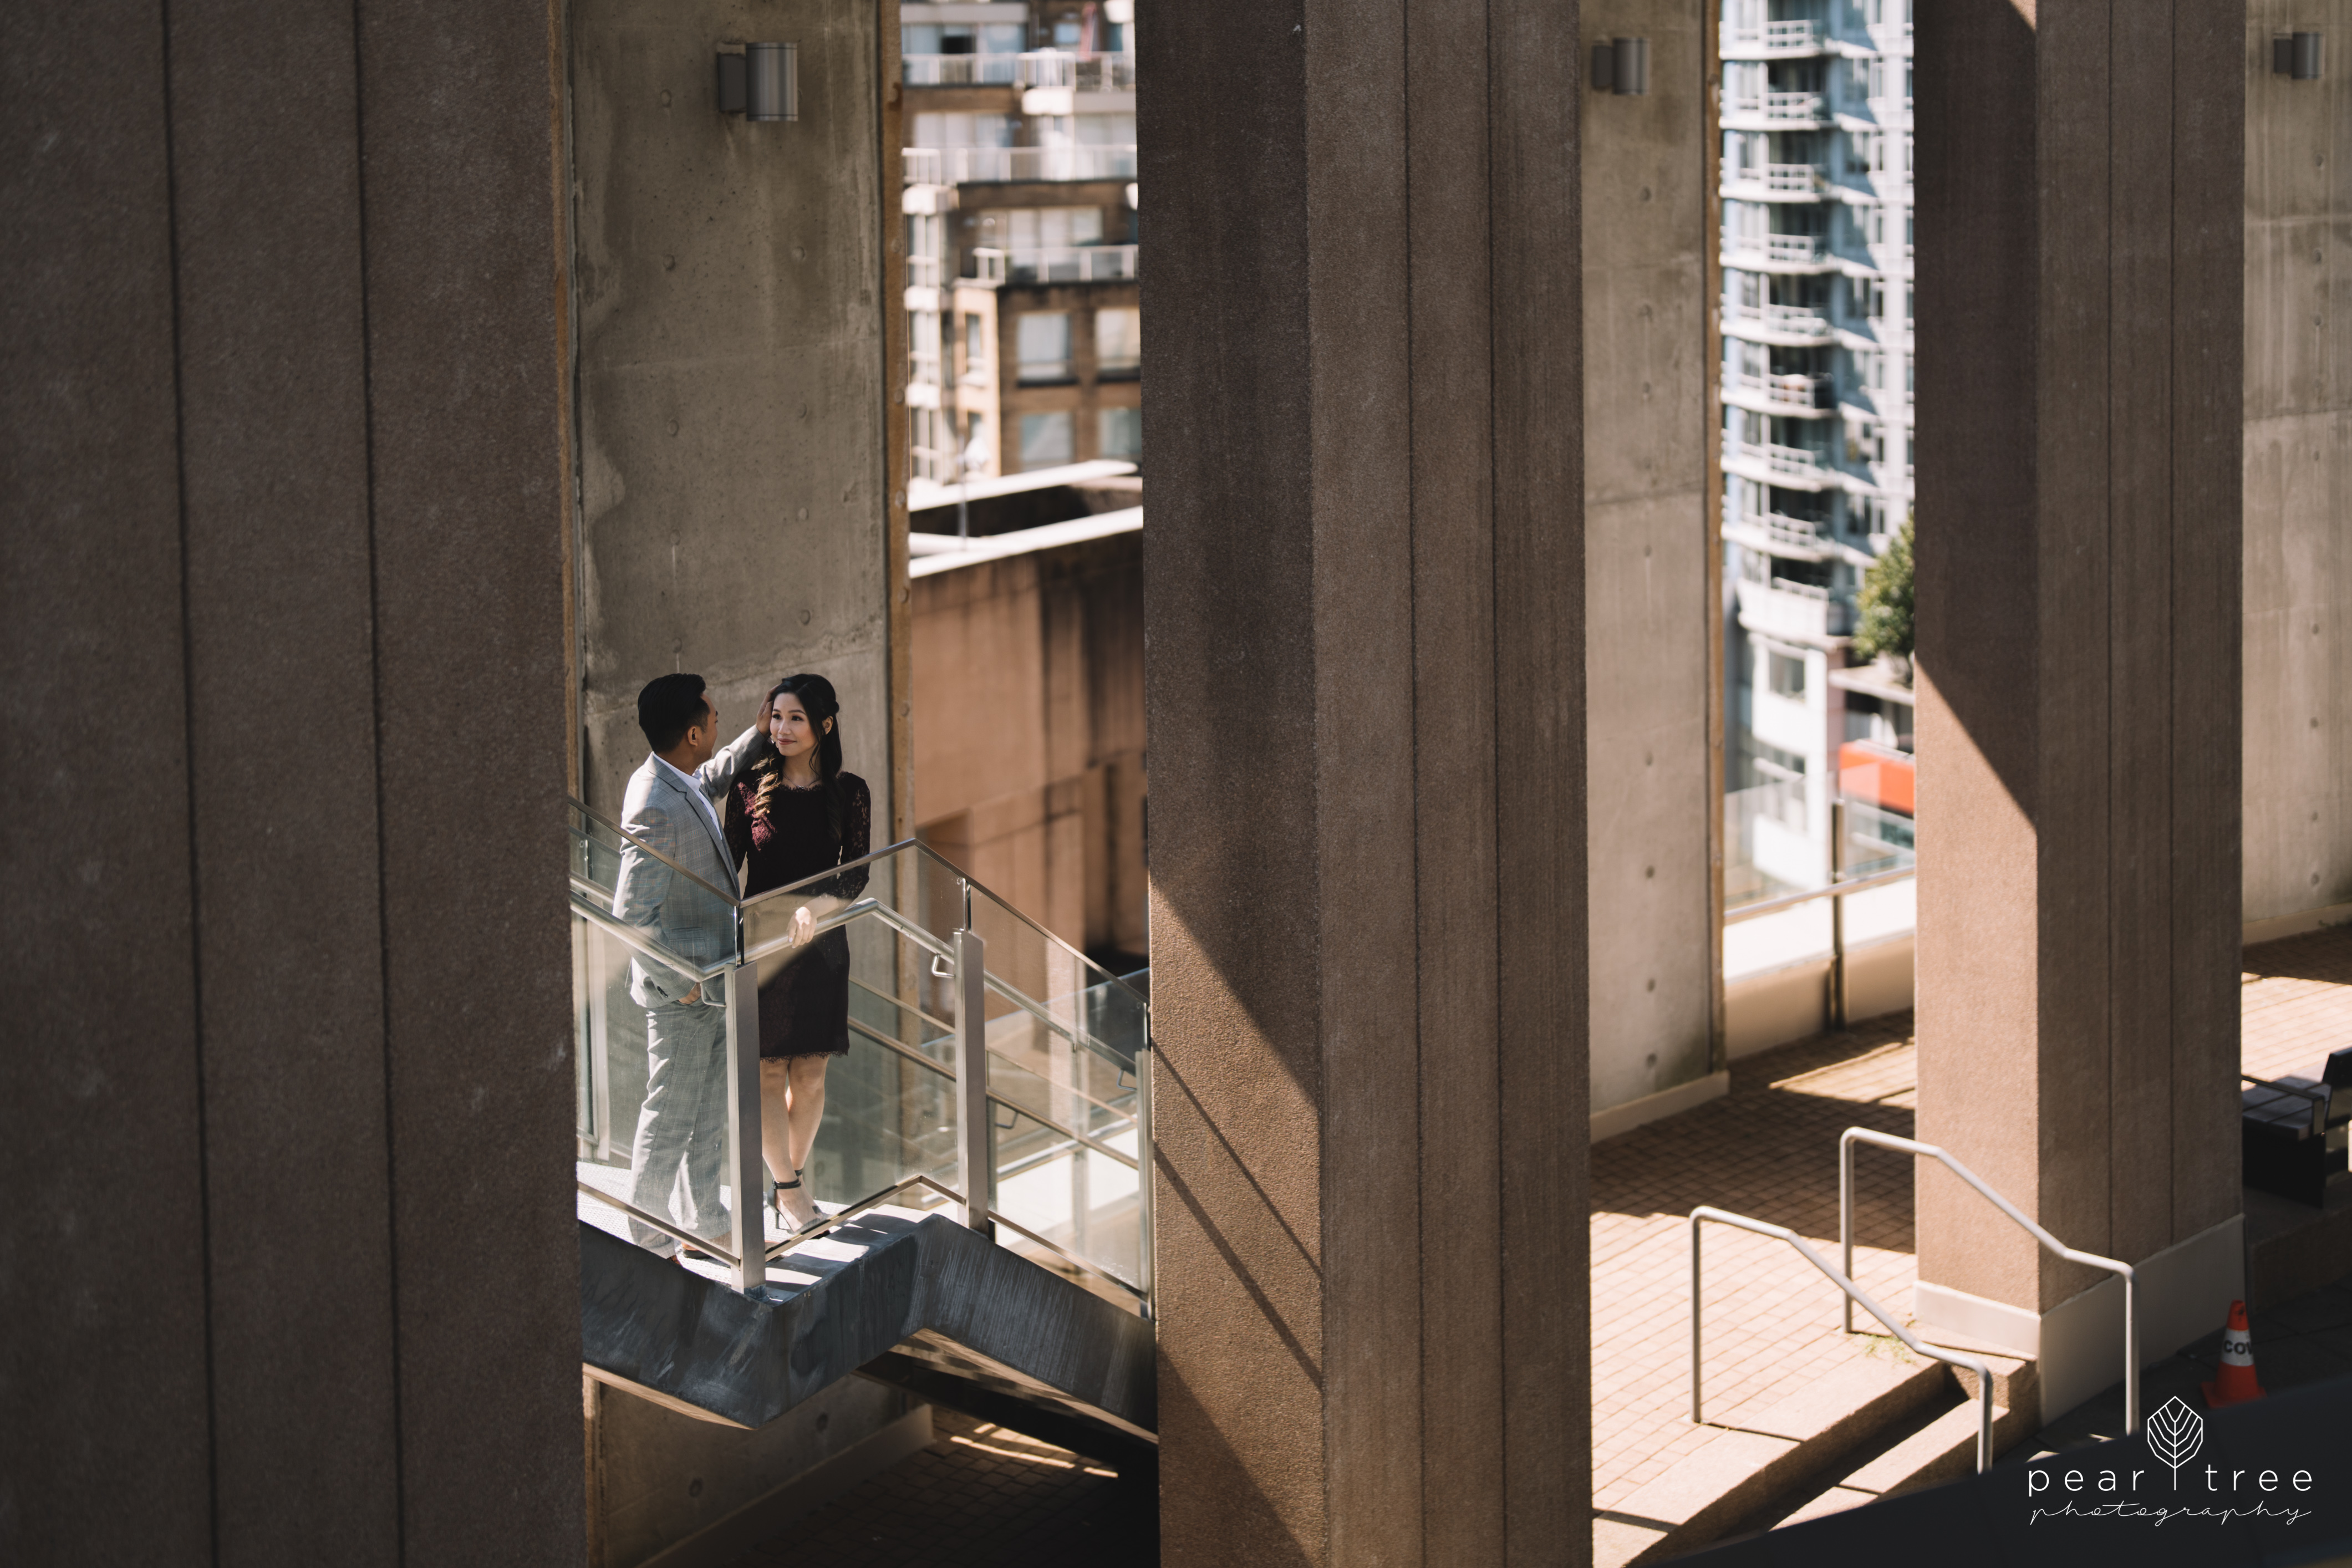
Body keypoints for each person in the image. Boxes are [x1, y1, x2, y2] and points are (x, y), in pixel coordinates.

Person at [611, 673, 763, 1258]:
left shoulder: (674, 778)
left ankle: (706, 1218)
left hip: (712, 983)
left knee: (704, 1112)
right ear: (693, 732)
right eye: (716, 718)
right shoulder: (654, 804)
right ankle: (649, 1236)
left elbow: (712, 776)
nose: (719, 721)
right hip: (685, 994)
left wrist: (759, 728)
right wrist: (682, 986)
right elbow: (631, 914)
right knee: (672, 1114)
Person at [724, 674, 871, 1232]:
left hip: (822, 946)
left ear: (824, 726)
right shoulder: (746, 789)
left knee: (809, 1075)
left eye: (795, 718)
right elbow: (725, 873)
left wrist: (821, 907)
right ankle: (789, 1193)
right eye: (776, 717)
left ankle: (792, 1181)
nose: (781, 729)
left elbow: (856, 872)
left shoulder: (851, 791)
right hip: (763, 945)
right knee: (766, 1071)